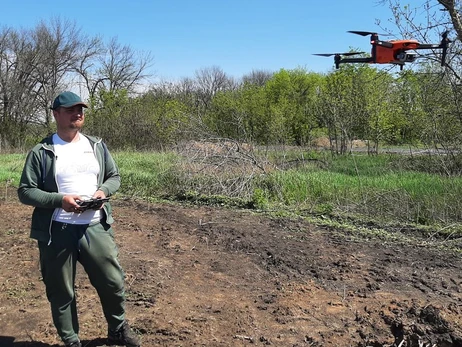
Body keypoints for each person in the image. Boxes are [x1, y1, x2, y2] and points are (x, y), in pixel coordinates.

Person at [17, 91, 141, 347]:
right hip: (57, 230)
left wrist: (102, 191)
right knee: (61, 291)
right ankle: (71, 341)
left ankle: (117, 330)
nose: (78, 114)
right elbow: (25, 191)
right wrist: (59, 200)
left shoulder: (96, 146)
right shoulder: (42, 151)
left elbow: (114, 176)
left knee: (112, 281)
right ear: (55, 114)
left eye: (81, 109)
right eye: (71, 110)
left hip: (95, 226)